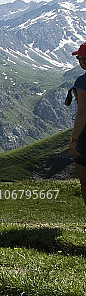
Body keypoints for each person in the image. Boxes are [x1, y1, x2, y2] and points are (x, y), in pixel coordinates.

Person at [67, 42, 86, 206]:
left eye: (79, 57)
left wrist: (74, 140)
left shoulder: (83, 81)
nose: (78, 60)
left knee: (85, 181)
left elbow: (82, 112)